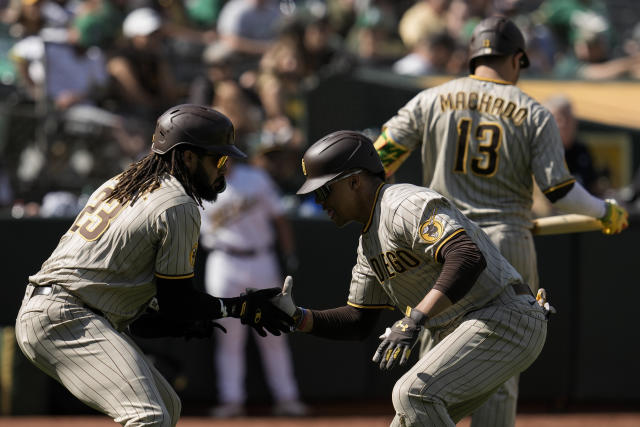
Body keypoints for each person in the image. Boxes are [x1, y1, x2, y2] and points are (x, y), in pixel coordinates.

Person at [373, 16, 629, 427]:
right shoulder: (533, 112)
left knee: (430, 369)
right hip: (504, 244)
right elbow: (559, 190)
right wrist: (605, 210)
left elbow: (378, 158)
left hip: (441, 243)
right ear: (518, 60)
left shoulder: (431, 99)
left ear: (472, 57)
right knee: (497, 370)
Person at [14, 104, 293, 427]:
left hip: (63, 310)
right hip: (65, 316)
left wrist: (176, 320)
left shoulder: (123, 183)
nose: (224, 167)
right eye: (217, 158)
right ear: (187, 157)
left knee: (167, 407)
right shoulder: (177, 203)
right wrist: (243, 308)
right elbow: (179, 301)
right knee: (149, 417)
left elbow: (135, 302)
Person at [269, 130, 550, 426]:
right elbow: (357, 320)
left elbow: (466, 257)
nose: (318, 200)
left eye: (324, 190)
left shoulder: (403, 203)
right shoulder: (369, 243)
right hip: (473, 326)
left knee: (411, 394)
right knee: (408, 419)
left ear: (354, 181)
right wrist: (297, 317)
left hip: (504, 316)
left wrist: (415, 318)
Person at [200, 157, 307, 418]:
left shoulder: (256, 178)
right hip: (223, 259)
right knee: (228, 336)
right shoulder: (199, 183)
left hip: (261, 258)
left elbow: (280, 218)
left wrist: (289, 252)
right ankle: (231, 400)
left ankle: (287, 398)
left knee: (274, 332)